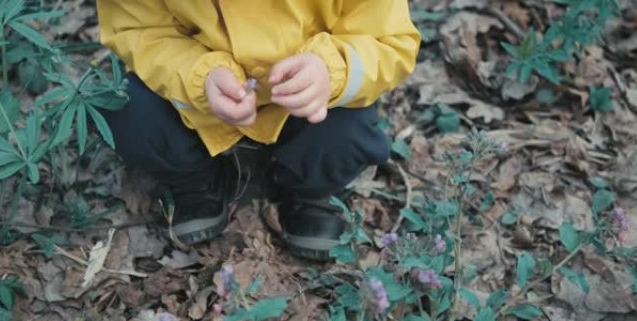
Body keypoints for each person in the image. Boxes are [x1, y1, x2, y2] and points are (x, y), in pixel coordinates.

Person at [96, 0, 421, 260]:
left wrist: (331, 70)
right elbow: (139, 29)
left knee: (347, 131)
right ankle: (196, 181)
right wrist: (198, 75)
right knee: (127, 108)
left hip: (308, 102)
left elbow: (387, 40)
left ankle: (310, 190)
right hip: (204, 101)